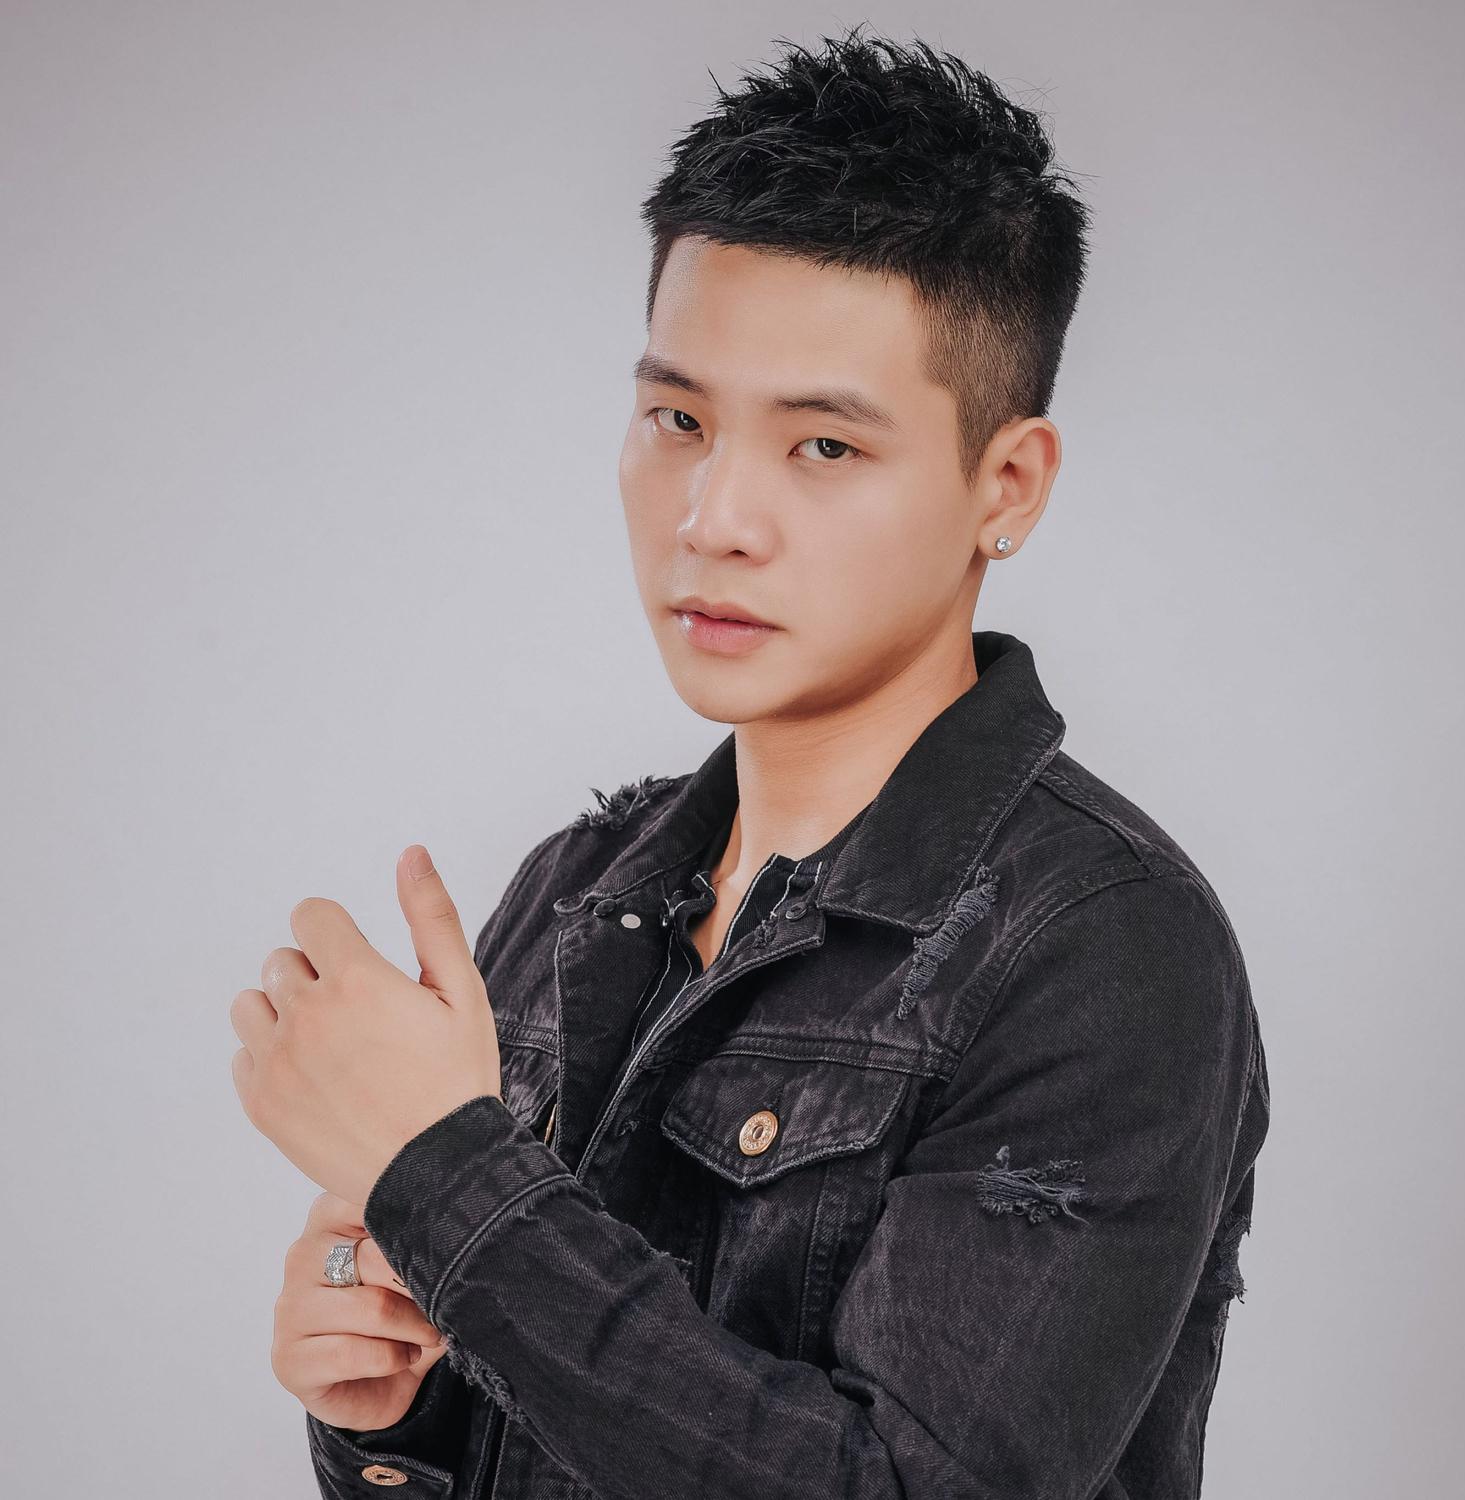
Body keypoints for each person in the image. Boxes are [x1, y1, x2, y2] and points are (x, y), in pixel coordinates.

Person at [285, 24, 1270, 1499]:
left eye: (823, 447)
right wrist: (384, 1413)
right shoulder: (579, 892)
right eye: (678, 419)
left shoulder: (1105, 948)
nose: (713, 518)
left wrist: (445, 1177)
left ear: (1006, 485)